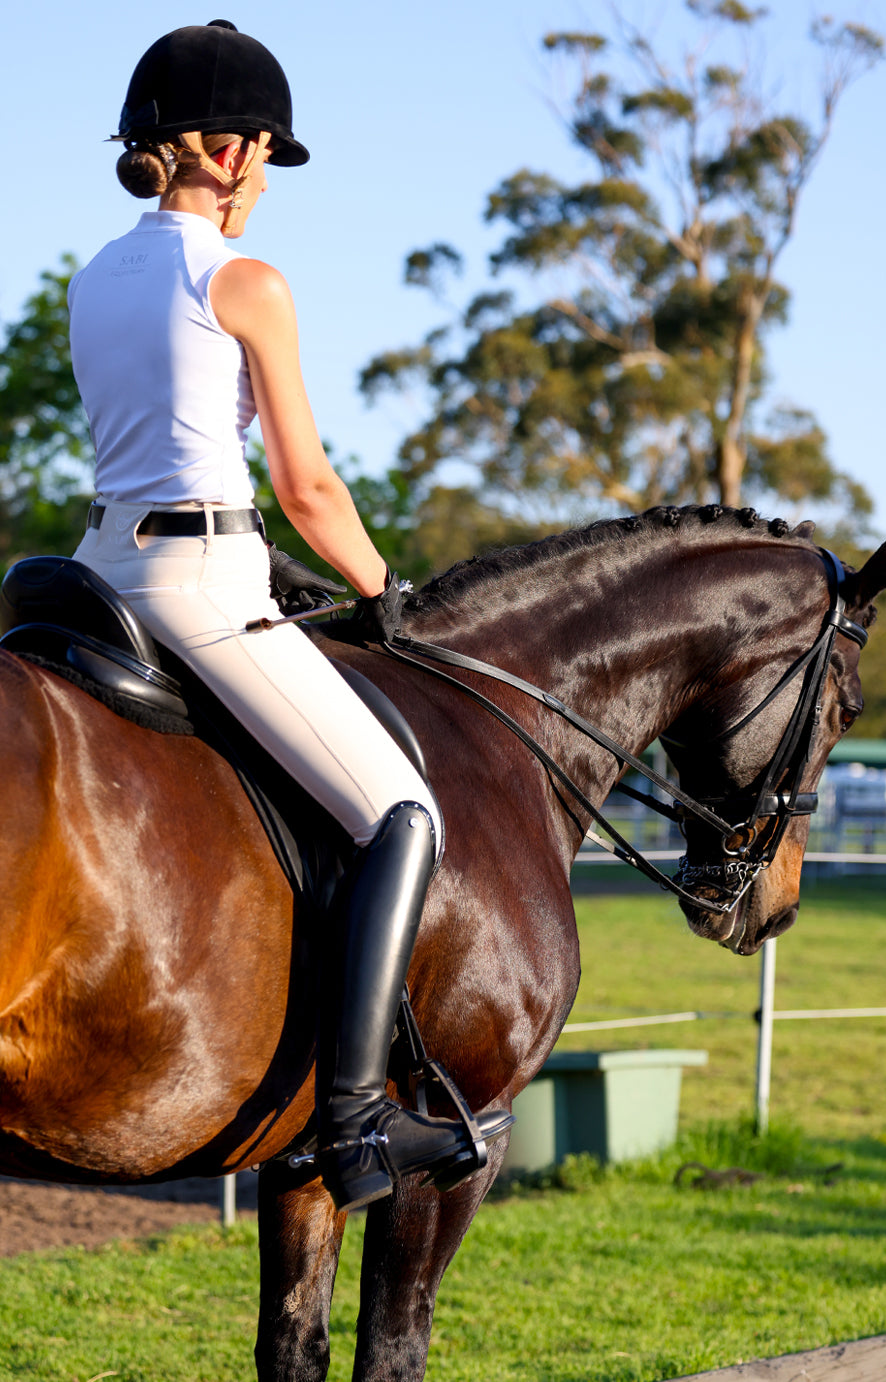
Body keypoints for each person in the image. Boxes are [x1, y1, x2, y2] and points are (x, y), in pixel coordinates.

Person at [68, 19, 511, 1213]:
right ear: (222, 147)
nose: (261, 174)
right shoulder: (244, 281)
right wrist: (381, 589)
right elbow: (308, 490)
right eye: (261, 151)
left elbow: (159, 435)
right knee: (402, 812)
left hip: (97, 572)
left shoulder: (91, 275)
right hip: (199, 586)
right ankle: (357, 1123)